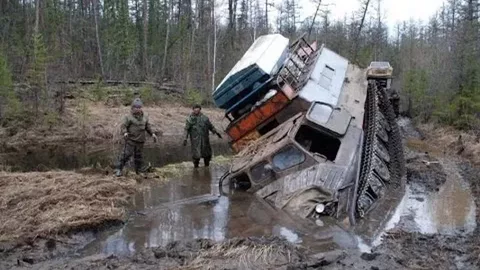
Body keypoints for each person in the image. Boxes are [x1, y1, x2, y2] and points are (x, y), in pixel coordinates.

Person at [115, 98, 157, 176]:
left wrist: (152, 134)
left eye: (139, 107)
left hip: (141, 140)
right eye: (136, 107)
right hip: (131, 140)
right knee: (126, 155)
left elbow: (148, 126)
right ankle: (118, 169)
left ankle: (138, 171)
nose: (138, 109)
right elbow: (123, 126)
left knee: (138, 157)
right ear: (132, 108)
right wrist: (125, 133)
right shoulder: (128, 117)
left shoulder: (145, 116)